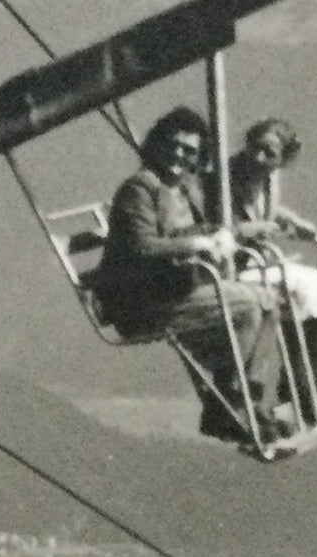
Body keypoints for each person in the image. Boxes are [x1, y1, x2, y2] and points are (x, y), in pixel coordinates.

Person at [96, 106, 287, 442]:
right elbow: (143, 247)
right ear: (156, 144)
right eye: (173, 145)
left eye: (189, 151)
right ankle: (222, 408)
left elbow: (193, 229)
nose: (179, 155)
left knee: (271, 301)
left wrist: (227, 234)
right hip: (143, 302)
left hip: (175, 289)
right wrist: (200, 243)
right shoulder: (140, 189)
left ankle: (246, 400)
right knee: (246, 307)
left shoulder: (179, 188)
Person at [221, 117, 317, 422]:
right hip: (236, 264)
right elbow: (219, 223)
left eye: (269, 154)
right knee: (296, 291)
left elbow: (266, 209)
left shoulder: (270, 178)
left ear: (282, 159)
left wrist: (290, 220)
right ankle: (299, 388)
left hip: (259, 261)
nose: (259, 158)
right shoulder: (227, 176)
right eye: (256, 148)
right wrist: (250, 229)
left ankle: (311, 381)